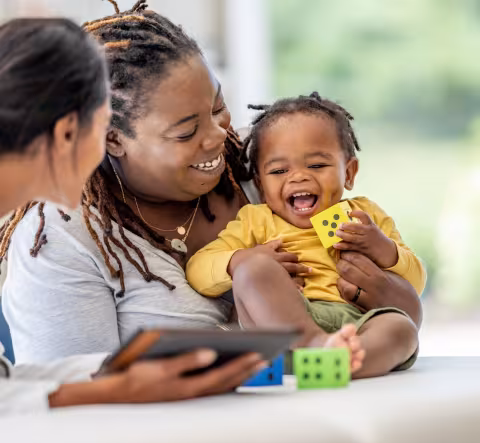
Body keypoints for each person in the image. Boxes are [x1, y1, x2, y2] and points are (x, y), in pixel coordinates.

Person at [1, 1, 422, 367]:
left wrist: (385, 285)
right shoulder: (62, 239)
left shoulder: (270, 171)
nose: (219, 135)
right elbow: (73, 403)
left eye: (218, 107)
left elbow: (404, 314)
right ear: (112, 138)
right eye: (186, 132)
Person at [0, 17, 265, 414]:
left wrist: (120, 380)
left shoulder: (262, 167)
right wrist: (116, 389)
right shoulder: (58, 233)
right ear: (72, 132)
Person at [187, 93, 426, 378]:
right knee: (253, 270)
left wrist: (383, 248)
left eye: (316, 166)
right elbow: (198, 270)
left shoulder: (363, 215)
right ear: (262, 185)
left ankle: (339, 364)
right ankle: (315, 346)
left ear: (348, 173)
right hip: (287, 326)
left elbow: (415, 281)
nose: (298, 177)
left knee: (401, 328)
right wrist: (241, 260)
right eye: (279, 170)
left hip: (359, 324)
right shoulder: (257, 220)